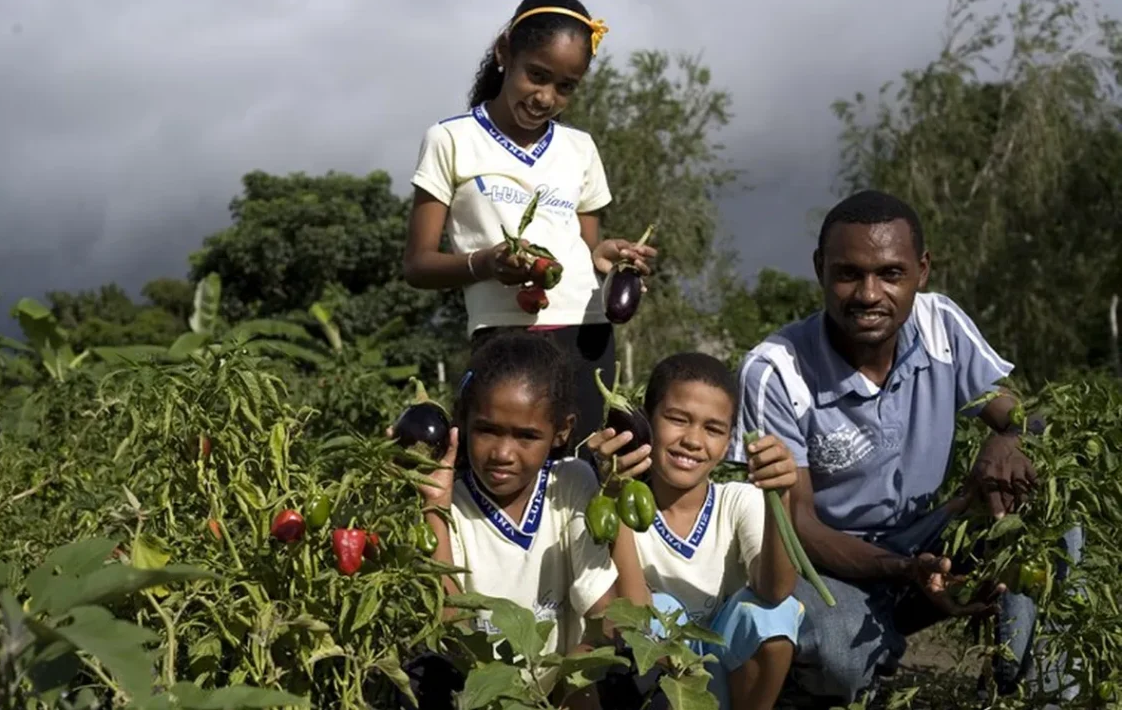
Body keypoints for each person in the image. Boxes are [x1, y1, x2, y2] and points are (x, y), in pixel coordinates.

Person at [728, 189, 1083, 705]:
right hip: (829, 564)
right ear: (819, 269)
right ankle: (817, 674)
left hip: (926, 538)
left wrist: (1007, 439)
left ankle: (1038, 689)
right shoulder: (775, 370)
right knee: (840, 654)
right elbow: (797, 524)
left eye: (891, 274)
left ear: (922, 271)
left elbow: (1024, 418)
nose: (869, 293)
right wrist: (905, 570)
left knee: (1052, 502)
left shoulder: (941, 325)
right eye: (849, 273)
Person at [403, 0, 656, 451]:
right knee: (499, 474)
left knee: (585, 472)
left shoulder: (580, 148)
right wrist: (485, 263)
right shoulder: (452, 140)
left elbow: (587, 250)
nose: (546, 98)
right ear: (504, 53)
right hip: (502, 336)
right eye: (536, 75)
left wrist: (610, 259)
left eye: (565, 87)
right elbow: (418, 265)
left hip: (586, 336)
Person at [398, 330, 639, 709]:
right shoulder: (451, 506)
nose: (503, 453)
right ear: (462, 422)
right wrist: (433, 505)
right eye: (487, 430)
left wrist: (613, 491)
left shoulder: (571, 484)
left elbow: (603, 610)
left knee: (601, 661)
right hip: (477, 695)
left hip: (559, 696)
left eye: (526, 436)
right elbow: (449, 629)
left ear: (561, 432)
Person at [587, 352, 806, 710]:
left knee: (771, 612)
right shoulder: (620, 504)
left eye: (713, 429)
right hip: (656, 685)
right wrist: (613, 493)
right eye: (677, 419)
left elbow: (776, 589)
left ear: (729, 440)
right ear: (645, 420)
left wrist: (779, 497)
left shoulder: (738, 500)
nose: (693, 439)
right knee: (660, 610)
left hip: (732, 672)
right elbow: (635, 610)